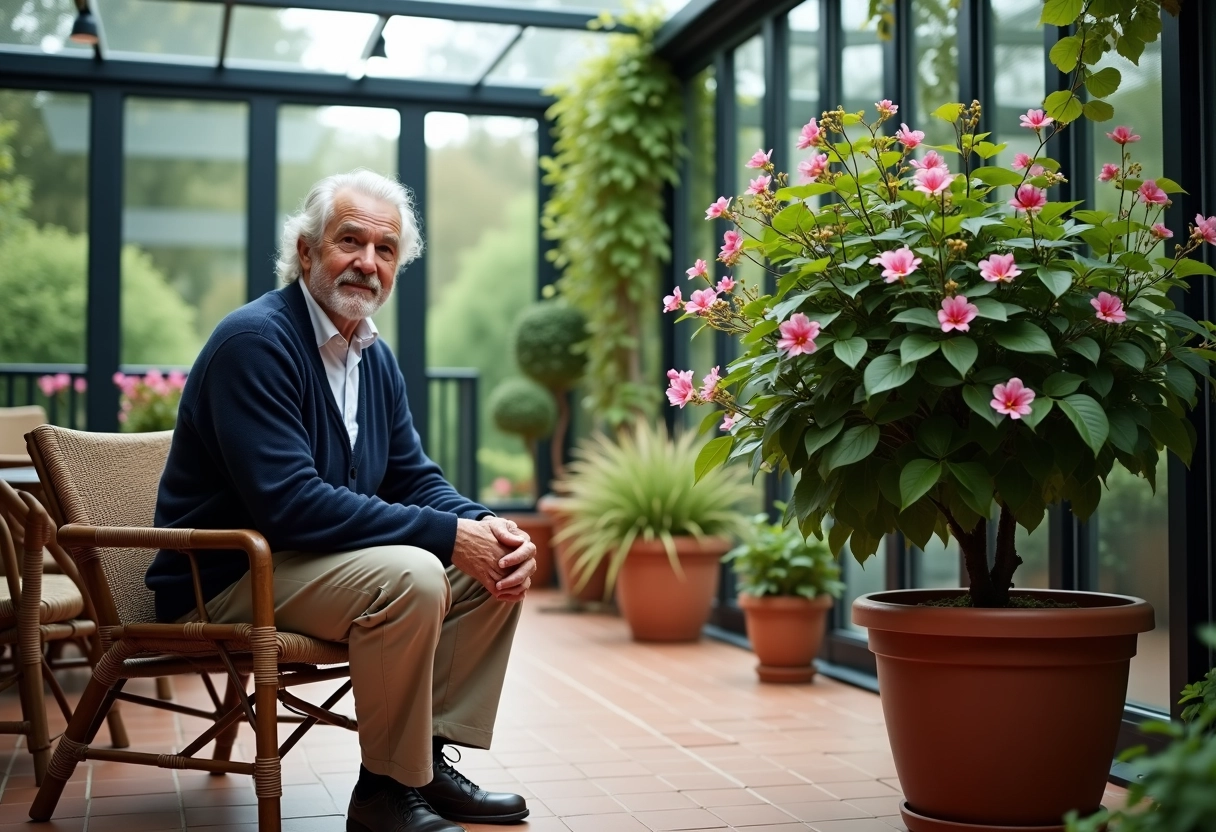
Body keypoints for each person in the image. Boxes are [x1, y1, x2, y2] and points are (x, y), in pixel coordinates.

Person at [147, 169, 536, 832]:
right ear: (306, 251)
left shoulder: (373, 357)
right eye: (349, 241)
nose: (367, 262)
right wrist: (446, 536)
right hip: (226, 576)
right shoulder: (255, 344)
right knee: (414, 575)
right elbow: (290, 504)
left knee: (492, 563)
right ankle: (385, 793)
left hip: (304, 564)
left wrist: (482, 524)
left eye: (385, 249)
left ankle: (423, 764)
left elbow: (412, 477)